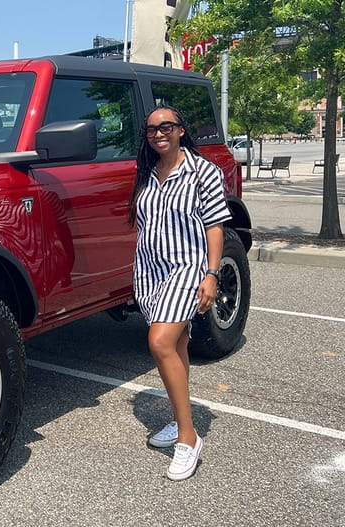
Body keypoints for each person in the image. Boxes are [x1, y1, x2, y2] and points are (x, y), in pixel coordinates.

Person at [128, 104, 231, 481]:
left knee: (160, 342)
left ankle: (188, 437)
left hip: (187, 269)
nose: (159, 133)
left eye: (166, 126)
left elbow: (215, 225)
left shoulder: (203, 171)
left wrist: (211, 274)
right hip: (151, 271)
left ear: (181, 130)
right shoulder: (148, 173)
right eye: (152, 129)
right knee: (179, 344)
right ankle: (177, 417)